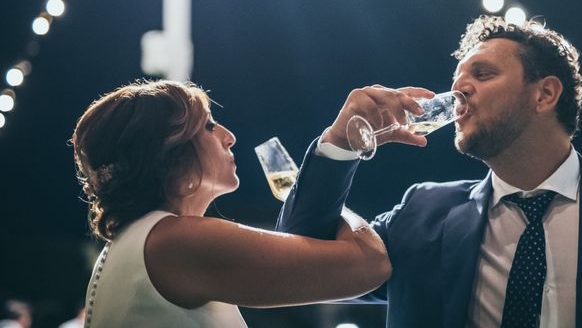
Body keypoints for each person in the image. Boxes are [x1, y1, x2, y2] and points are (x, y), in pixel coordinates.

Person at [277, 15, 582, 327]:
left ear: (544, 95)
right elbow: (299, 265)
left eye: (482, 75)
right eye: (457, 81)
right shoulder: (423, 212)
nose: (459, 92)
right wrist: (340, 145)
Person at [71, 80, 390, 328]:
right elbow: (369, 264)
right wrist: (322, 167)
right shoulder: (178, 242)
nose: (229, 136)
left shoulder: (140, 242)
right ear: (171, 153)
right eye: (209, 126)